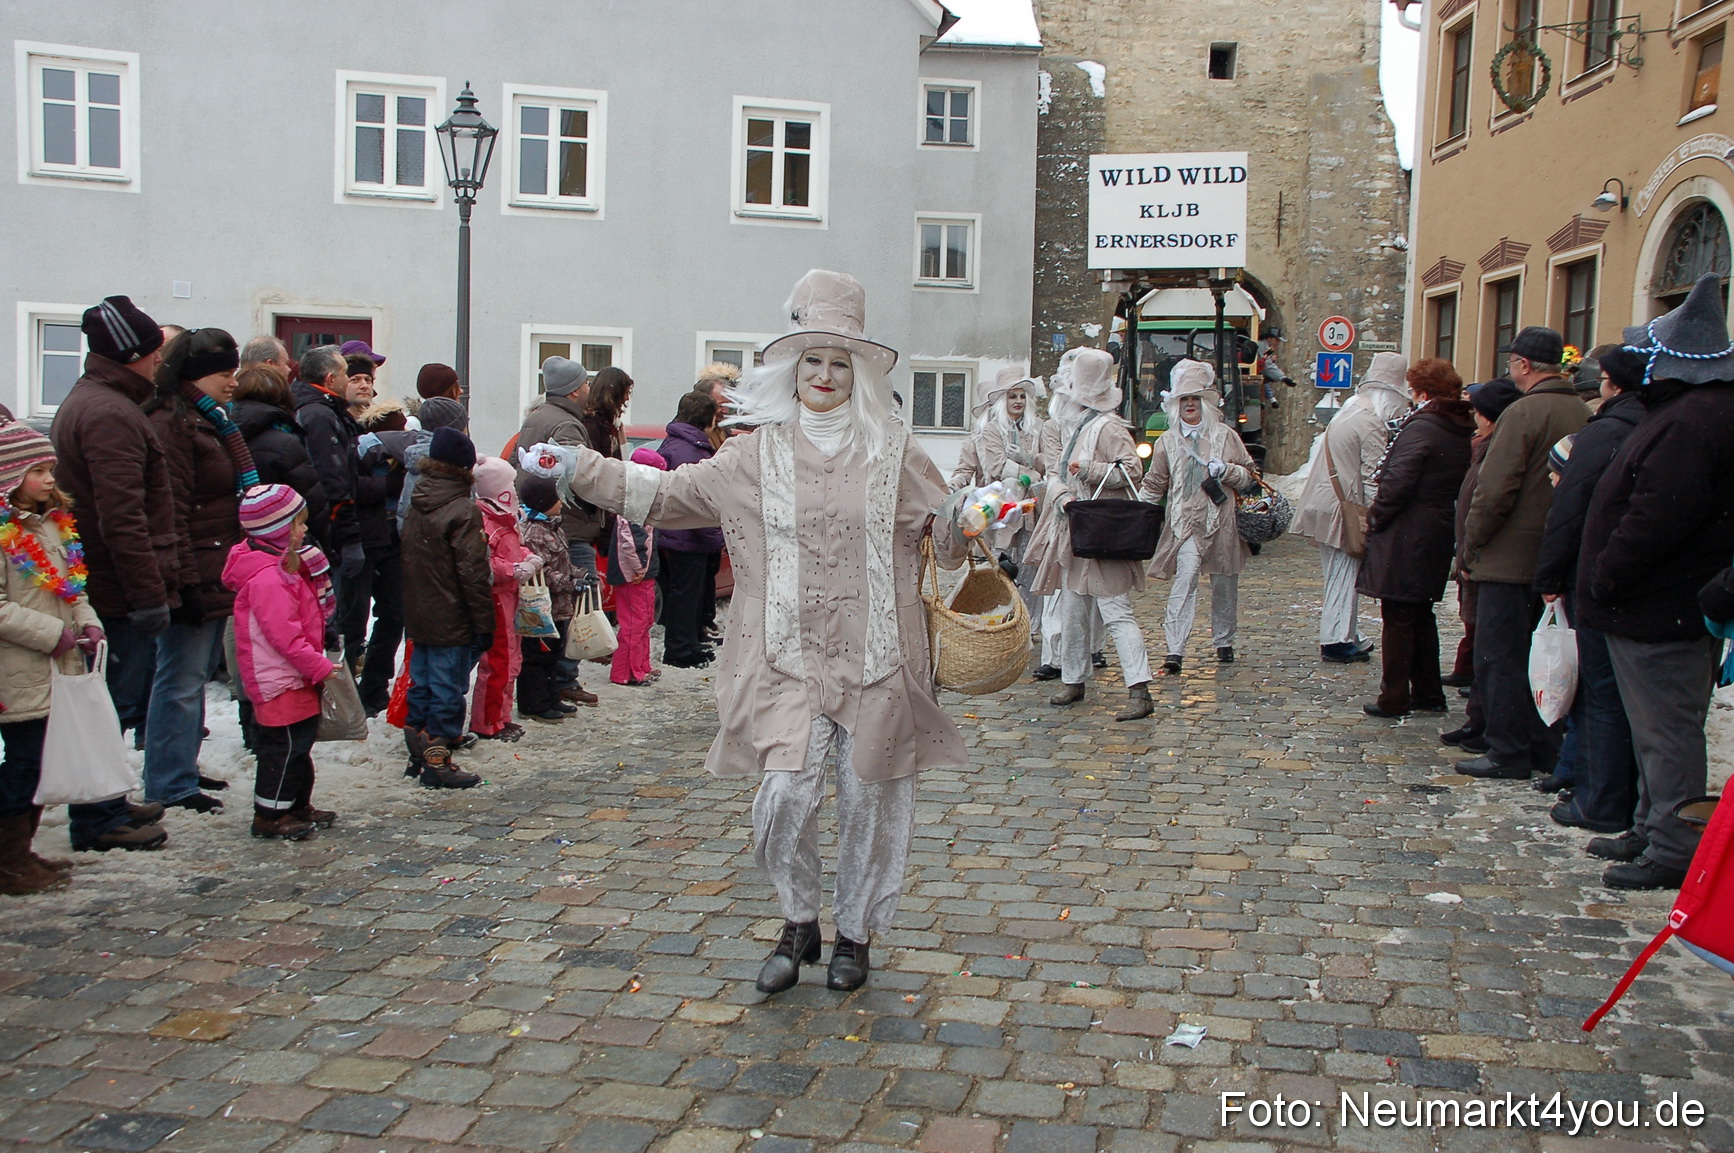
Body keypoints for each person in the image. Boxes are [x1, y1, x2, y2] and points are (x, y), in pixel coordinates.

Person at [532, 269, 968, 994]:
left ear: (857, 370)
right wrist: (581, 466)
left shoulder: (895, 449)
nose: (824, 375)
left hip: (880, 654)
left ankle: (856, 932)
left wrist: (977, 519)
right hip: (784, 655)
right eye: (811, 360)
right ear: (790, 369)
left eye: (838, 361)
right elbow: (667, 496)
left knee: (872, 798)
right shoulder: (753, 454)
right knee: (785, 795)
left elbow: (945, 536)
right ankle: (799, 919)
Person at [1579, 275, 1734, 889]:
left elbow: (1657, 515)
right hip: (1655, 602)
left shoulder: (1695, 420)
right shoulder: (1688, 412)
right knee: (1656, 728)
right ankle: (1651, 825)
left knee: (1667, 729)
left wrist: (1608, 574)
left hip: (1660, 605)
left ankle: (1672, 846)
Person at [49, 296, 176, 851]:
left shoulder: (103, 401)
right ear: (132, 355)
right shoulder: (108, 413)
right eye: (153, 353)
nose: (158, 363)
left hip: (107, 580)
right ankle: (97, 816)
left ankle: (105, 800)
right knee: (112, 704)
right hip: (113, 586)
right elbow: (121, 514)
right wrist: (148, 593)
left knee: (112, 702)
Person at [0, 421, 140, 892]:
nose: (47, 480)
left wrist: (88, 621)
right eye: (36, 471)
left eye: (49, 470)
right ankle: (8, 859)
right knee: (24, 763)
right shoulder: (6, 535)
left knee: (39, 761)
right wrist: (53, 633)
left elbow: (71, 586)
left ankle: (20, 851)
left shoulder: (53, 526)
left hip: (56, 665)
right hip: (19, 667)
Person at [1456, 326, 1588, 780]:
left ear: (1524, 365)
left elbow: (1494, 491)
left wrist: (1471, 544)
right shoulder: (1582, 411)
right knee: (1546, 659)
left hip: (1509, 558)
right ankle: (1543, 745)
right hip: (1556, 555)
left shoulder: (1524, 413)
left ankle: (1507, 750)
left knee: (1502, 659)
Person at [1532, 348, 1645, 829]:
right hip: (1643, 585)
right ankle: (1607, 789)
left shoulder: (1606, 433)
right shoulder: (1647, 424)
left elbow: (1571, 509)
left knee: (1600, 695)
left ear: (1611, 385)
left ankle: (1597, 798)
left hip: (1601, 576)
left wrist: (1551, 576)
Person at [142, 328, 253, 813]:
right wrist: (184, 578)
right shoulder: (175, 425)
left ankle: (181, 768)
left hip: (214, 562)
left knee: (192, 677)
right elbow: (174, 510)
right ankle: (168, 780)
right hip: (195, 566)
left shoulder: (208, 420)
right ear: (196, 376)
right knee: (180, 677)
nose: (233, 383)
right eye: (225, 375)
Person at [1026, 347, 1154, 719]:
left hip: (1104, 534)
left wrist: (1090, 470)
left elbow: (1131, 472)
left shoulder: (1109, 426)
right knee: (1073, 610)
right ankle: (1073, 678)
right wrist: (1063, 494)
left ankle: (1139, 689)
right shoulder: (1073, 427)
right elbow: (1056, 473)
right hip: (1076, 531)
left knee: (1116, 611)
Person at [1355, 358, 1474, 718]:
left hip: (1408, 532)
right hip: (1435, 529)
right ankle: (1428, 691)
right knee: (1421, 613)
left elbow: (1397, 482)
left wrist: (1376, 518)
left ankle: (1394, 696)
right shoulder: (1458, 427)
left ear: (1422, 393)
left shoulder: (1423, 427)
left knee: (1399, 615)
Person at [224, 485, 340, 840]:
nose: (303, 531)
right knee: (284, 747)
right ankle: (270, 813)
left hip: (293, 674)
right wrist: (316, 665)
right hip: (279, 677)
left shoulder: (281, 568)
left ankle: (295, 803)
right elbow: (284, 637)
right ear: (275, 531)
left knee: (300, 744)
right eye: (296, 526)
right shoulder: (269, 579)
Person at [1138, 360, 1257, 672]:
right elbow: (1155, 483)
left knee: (1225, 583)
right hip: (1185, 525)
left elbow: (1251, 477)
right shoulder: (1167, 441)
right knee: (1185, 580)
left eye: (1196, 399)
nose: (1190, 405)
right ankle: (1174, 650)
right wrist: (1137, 512)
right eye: (1184, 400)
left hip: (1222, 522)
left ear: (1206, 403)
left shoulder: (1226, 436)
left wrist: (1227, 470)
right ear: (1176, 405)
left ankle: (1224, 640)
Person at [1292, 352, 1410, 662]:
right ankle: (1336, 639)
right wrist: (1378, 517)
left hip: (1324, 501)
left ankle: (1348, 633)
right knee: (1345, 575)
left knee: (1337, 573)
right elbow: (1373, 478)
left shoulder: (1350, 410)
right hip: (1344, 506)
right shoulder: (1371, 423)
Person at [400, 428, 489, 788]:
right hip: (452, 613)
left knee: (422, 683)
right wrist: (484, 624)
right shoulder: (462, 510)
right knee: (448, 688)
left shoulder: (417, 501)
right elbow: (472, 573)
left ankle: (416, 752)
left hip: (421, 609)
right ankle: (436, 759)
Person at [1438, 379, 1521, 754]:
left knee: (1492, 648)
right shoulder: (1482, 446)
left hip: (1489, 558)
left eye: (1477, 411)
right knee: (1483, 640)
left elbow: (1488, 502)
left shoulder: (1494, 448)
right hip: (1479, 555)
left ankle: (1486, 724)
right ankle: (1478, 719)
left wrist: (1470, 548)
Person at [515, 357, 601, 707]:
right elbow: (573, 474)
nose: (589, 388)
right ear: (575, 389)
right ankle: (562, 680)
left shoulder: (536, 418)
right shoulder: (566, 424)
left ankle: (554, 683)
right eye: (586, 383)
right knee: (569, 608)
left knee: (550, 612)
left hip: (552, 520)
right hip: (568, 525)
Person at [293, 345, 367, 597]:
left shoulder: (323, 410)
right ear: (331, 379)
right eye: (347, 374)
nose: (349, 380)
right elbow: (332, 477)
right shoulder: (319, 416)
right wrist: (349, 537)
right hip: (327, 531)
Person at [471, 456, 536, 742]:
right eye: (510, 483)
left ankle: (502, 716)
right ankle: (487, 721)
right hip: (497, 598)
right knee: (498, 661)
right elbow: (486, 562)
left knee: (511, 658)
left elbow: (514, 548)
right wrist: (514, 568)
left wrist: (527, 557)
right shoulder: (488, 522)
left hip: (510, 595)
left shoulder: (506, 518)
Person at [657, 392, 724, 668]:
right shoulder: (691, 450)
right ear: (705, 418)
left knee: (685, 593)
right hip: (688, 535)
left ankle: (689, 642)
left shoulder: (677, 443)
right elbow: (698, 501)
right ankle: (680, 649)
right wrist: (717, 537)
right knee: (685, 594)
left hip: (677, 533)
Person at [516, 474, 578, 722]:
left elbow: (563, 563)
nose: (561, 502)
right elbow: (542, 570)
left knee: (553, 655)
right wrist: (570, 583)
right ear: (543, 501)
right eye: (556, 498)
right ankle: (534, 704)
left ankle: (552, 697)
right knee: (536, 657)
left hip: (558, 606)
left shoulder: (553, 527)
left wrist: (580, 575)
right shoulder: (534, 533)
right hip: (540, 607)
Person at [610, 447, 665, 686]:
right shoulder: (634, 503)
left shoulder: (639, 499)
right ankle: (626, 672)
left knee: (644, 620)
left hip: (641, 571)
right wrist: (639, 567)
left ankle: (641, 665)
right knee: (634, 622)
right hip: (634, 573)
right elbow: (630, 539)